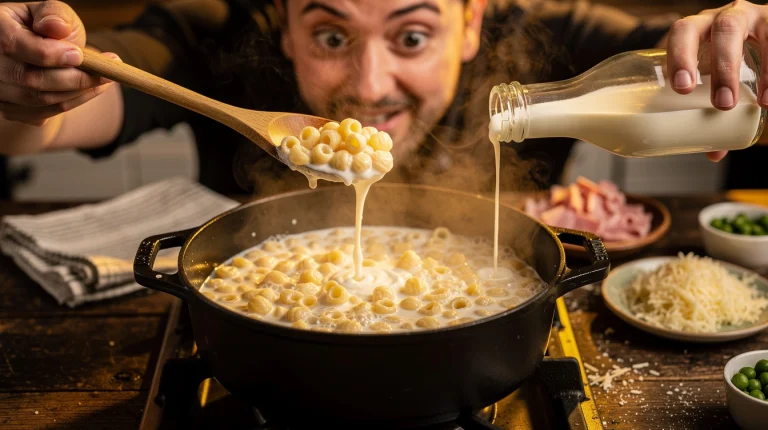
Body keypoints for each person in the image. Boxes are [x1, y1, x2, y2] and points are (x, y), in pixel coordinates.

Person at [0, 0, 763, 196]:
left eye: (410, 37)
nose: (367, 90)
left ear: (473, 21)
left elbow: (690, 70)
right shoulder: (216, 31)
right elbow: (70, 109)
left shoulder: (553, 39)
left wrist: (746, 43)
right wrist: (25, 89)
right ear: (284, 22)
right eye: (331, 36)